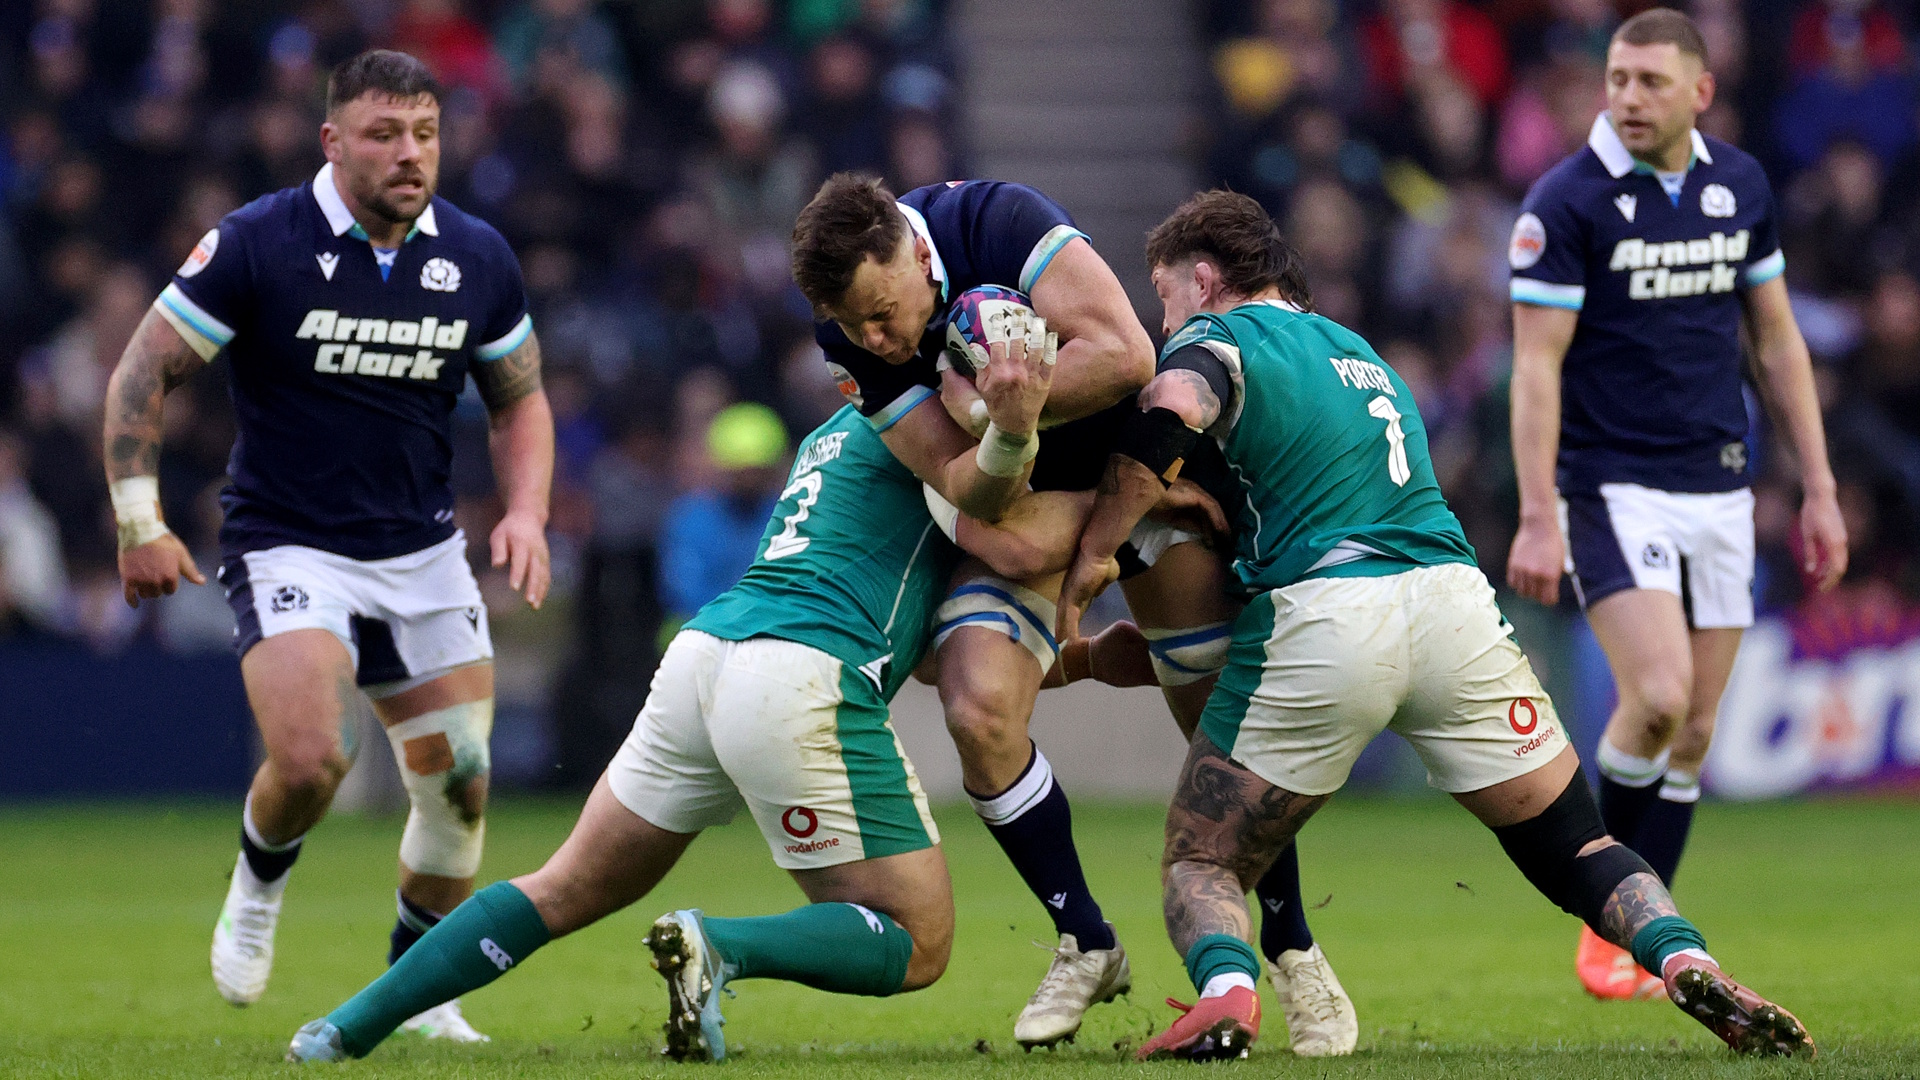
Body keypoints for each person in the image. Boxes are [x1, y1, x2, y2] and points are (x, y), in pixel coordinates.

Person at [1058, 190, 1813, 1061]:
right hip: (1456, 604)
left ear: (1202, 276)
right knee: (1578, 845)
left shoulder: (1219, 338)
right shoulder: (1360, 351)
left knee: (1203, 860)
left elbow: (1174, 405)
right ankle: (1683, 957)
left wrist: (1096, 552)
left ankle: (1229, 996)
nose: (1163, 318)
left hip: (1333, 611)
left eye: (1164, 296)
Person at [286, 399, 1070, 1063]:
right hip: (802, 675)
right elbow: (1023, 542)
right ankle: (720, 943)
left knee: (562, 886)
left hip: (705, 655)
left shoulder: (842, 425)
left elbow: (936, 651)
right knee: (918, 939)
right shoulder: (940, 428)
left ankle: (339, 1032)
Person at [789, 173, 1346, 1050]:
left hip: (1140, 466)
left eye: (883, 312)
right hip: (1040, 511)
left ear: (909, 248)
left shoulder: (998, 219)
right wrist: (997, 422)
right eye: (854, 327)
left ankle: (1292, 946)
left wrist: (1018, 418)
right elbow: (971, 492)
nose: (875, 339)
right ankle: (1085, 939)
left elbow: (1128, 358)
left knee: (1219, 729)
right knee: (975, 707)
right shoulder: (848, 334)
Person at [102, 51, 553, 1041]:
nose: (410, 154)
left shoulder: (476, 256)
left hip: (424, 553)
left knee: (462, 782)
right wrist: (141, 520)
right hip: (290, 544)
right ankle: (257, 891)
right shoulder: (257, 242)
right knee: (312, 761)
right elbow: (141, 375)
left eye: (426, 134)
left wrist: (524, 510)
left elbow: (519, 400)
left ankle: (420, 994)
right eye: (386, 134)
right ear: (333, 141)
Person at [1503, 8, 1847, 999]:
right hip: (1612, 486)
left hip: (1721, 484)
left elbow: (1777, 341)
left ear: (1701, 90)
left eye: (1651, 81)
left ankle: (1633, 938)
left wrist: (1817, 488)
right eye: (1618, 79)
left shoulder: (1739, 183)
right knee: (1652, 699)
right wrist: (1535, 510)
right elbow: (1536, 369)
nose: (1629, 98)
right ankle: (1604, 910)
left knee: (1693, 729)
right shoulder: (1564, 203)